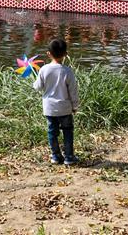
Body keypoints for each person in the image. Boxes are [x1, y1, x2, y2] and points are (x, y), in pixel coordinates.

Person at [32, 38, 79, 166]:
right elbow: (73, 91)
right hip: (65, 108)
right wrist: (75, 106)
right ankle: (69, 157)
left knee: (52, 131)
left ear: (48, 53)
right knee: (68, 131)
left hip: (49, 108)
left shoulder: (43, 69)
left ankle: (55, 156)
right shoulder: (67, 71)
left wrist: (34, 80)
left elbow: (38, 87)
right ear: (65, 54)